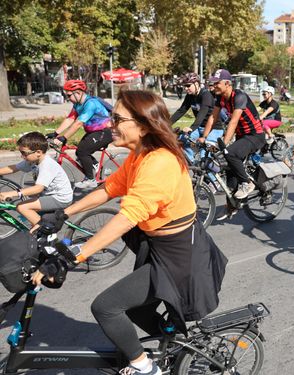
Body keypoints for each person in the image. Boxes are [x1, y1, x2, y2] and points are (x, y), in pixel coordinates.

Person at [32, 90, 227, 375]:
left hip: (179, 255)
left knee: (106, 307)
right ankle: (174, 342)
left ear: (144, 125)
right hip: (159, 247)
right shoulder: (140, 155)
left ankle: (146, 368)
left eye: (117, 119)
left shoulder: (160, 163)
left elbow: (127, 217)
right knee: (136, 309)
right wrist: (62, 214)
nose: (110, 124)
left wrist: (72, 257)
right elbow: (109, 189)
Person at [202, 69, 266, 208]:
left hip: (255, 135)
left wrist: (224, 144)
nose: (214, 86)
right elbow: (213, 117)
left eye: (217, 83)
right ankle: (232, 205)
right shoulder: (220, 98)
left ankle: (247, 183)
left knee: (229, 153)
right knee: (227, 165)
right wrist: (204, 137)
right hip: (242, 136)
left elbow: (233, 122)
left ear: (227, 83)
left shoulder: (239, 96)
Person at [48, 79, 113, 189]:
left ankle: (90, 179)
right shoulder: (77, 104)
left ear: (78, 93)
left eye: (69, 95)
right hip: (95, 132)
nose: (68, 98)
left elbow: (78, 123)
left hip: (105, 132)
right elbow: (70, 119)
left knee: (82, 151)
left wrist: (64, 137)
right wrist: (55, 133)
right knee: (80, 152)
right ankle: (96, 166)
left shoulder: (91, 104)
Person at [0, 132, 73, 227]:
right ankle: (40, 229)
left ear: (38, 152)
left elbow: (38, 188)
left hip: (60, 198)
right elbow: (13, 168)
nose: (22, 156)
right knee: (30, 213)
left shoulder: (46, 165)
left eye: (24, 153)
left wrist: (12, 193)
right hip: (48, 195)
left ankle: (44, 230)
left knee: (22, 207)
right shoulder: (32, 160)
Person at [169, 73, 215, 163]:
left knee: (204, 156)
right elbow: (181, 111)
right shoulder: (190, 96)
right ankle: (192, 163)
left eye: (188, 86)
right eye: (184, 86)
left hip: (211, 128)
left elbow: (201, 115)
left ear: (196, 84)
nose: (186, 88)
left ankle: (212, 176)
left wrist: (191, 128)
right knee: (183, 140)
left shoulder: (206, 95)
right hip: (198, 127)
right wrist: (166, 124)